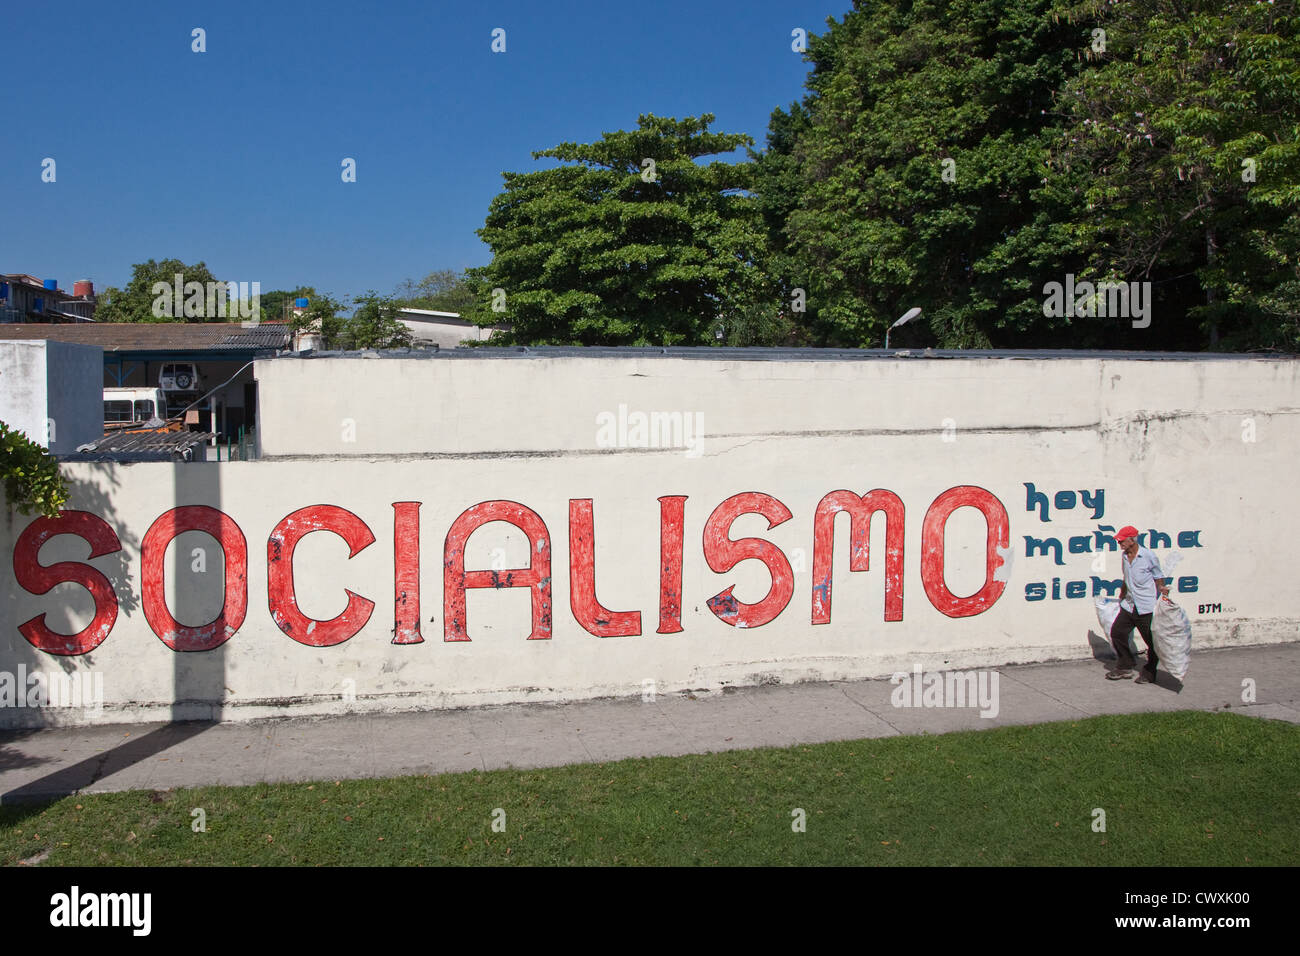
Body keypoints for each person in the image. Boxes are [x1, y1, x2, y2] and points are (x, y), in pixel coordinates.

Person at [1106, 525, 1170, 683]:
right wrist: (1122, 594)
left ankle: (1150, 672)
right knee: (1117, 633)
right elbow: (1126, 578)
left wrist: (1161, 589)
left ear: (1132, 540)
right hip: (1129, 605)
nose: (1119, 543)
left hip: (1145, 607)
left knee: (1152, 642)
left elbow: (1158, 575)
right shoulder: (1124, 556)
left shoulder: (1148, 556)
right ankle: (1125, 666)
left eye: (1122, 540)